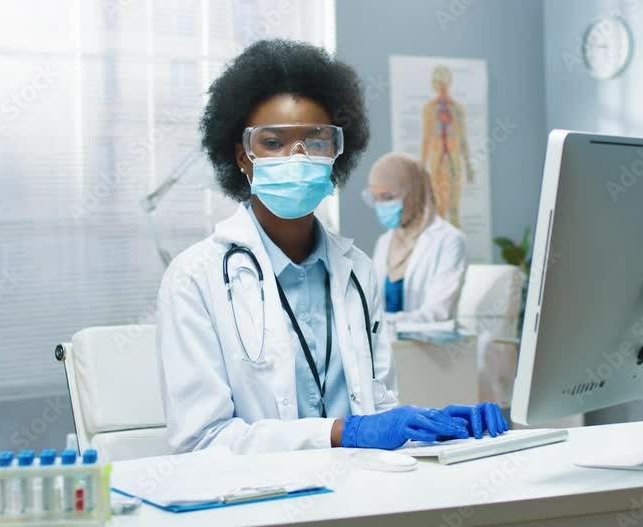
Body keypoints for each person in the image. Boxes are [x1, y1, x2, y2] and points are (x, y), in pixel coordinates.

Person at [155, 39, 507, 455]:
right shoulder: (195, 278)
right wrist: (341, 432)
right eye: (273, 142)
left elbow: (377, 408)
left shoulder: (357, 271)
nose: (297, 156)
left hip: (360, 497)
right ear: (243, 157)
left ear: (337, 154)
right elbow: (201, 441)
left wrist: (430, 424)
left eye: (316, 141)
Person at [367, 152, 467, 324]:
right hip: (386, 345)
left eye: (388, 197)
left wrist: (382, 322)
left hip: (425, 348)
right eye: (375, 198)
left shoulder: (448, 240)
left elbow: (438, 313)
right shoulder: (385, 241)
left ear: (414, 193)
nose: (381, 205)